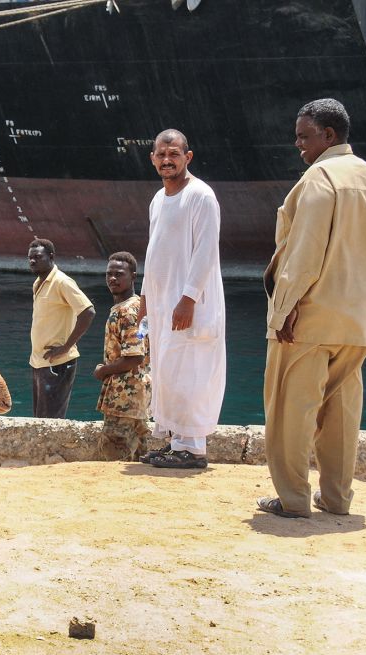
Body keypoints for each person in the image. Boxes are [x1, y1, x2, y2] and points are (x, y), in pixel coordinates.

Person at [257, 99, 366, 519]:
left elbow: (304, 250)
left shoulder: (319, 178)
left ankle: (293, 499)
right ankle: (336, 498)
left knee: (289, 410)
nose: (298, 144)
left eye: (305, 135)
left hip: (311, 316)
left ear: (329, 136)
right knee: (341, 410)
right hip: (361, 321)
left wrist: (283, 309)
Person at [140, 129, 226, 470]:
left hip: (189, 303)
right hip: (162, 304)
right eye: (160, 154)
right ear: (152, 159)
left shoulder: (202, 196)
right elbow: (152, 253)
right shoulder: (157, 200)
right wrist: (145, 298)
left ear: (187, 157)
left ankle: (193, 448)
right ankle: (176, 442)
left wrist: (188, 298)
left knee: (190, 370)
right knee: (167, 370)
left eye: (173, 154)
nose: (166, 160)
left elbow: (206, 252)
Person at [92, 252, 151, 461]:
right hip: (140, 395)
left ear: (133, 276)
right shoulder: (139, 307)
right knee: (140, 457)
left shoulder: (125, 312)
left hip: (123, 397)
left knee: (114, 453)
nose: (113, 279)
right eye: (109, 274)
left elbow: (134, 356)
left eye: (119, 274)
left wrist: (103, 370)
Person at [28, 238, 95, 418]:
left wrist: (66, 347)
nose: (32, 261)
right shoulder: (38, 283)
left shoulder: (62, 282)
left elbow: (88, 312)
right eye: (30, 258)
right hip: (39, 362)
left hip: (58, 364)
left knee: (51, 420)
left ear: (51, 257)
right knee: (40, 418)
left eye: (38, 257)